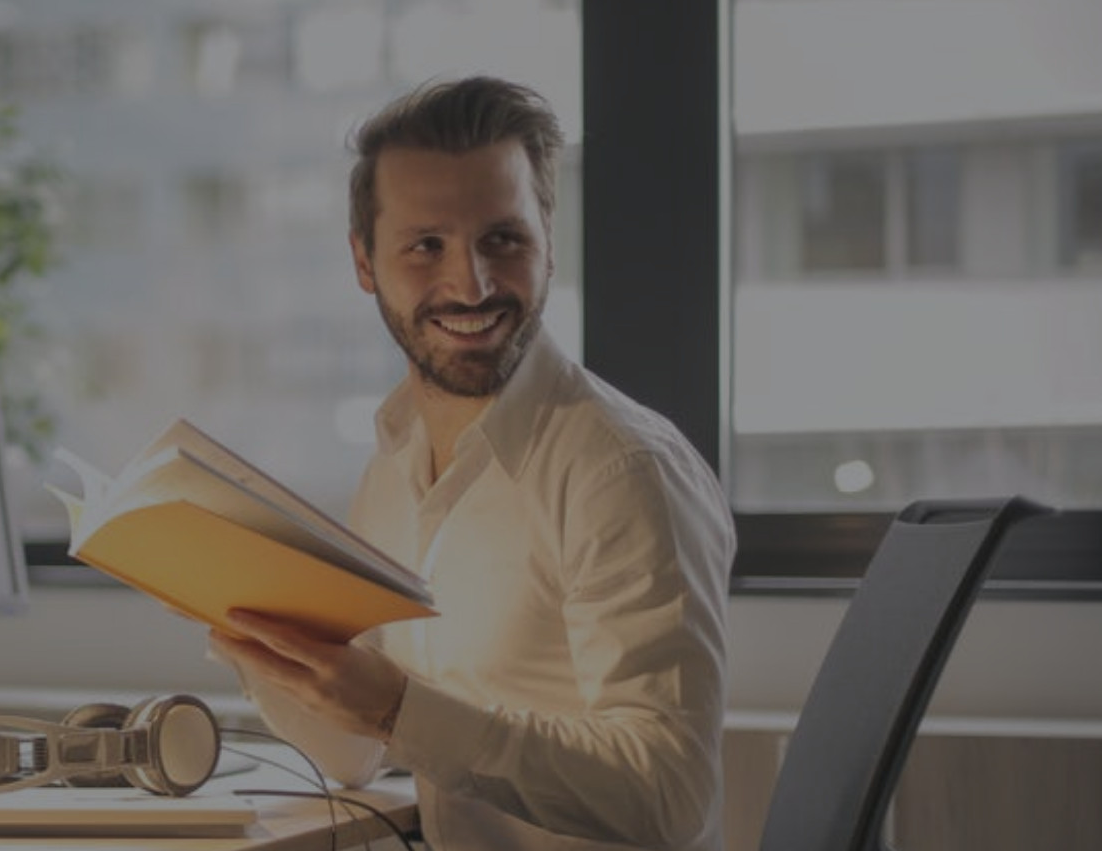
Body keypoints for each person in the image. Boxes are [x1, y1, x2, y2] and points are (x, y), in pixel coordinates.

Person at [208, 76, 734, 851]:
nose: (471, 284)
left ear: (548, 242)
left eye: (502, 239)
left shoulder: (623, 470)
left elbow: (669, 796)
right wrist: (254, 635)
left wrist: (399, 710)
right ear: (364, 261)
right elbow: (352, 756)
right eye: (426, 246)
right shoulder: (393, 466)